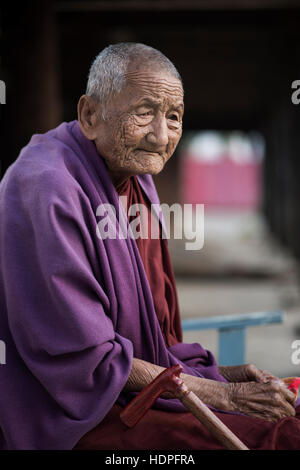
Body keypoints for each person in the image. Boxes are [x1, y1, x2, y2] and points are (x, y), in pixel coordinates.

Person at [0, 42, 299, 451]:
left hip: (137, 387)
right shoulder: (46, 185)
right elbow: (89, 363)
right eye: (144, 112)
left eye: (173, 117)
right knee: (280, 439)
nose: (161, 136)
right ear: (90, 115)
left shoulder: (132, 175)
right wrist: (225, 396)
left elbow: (153, 335)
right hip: (70, 412)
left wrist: (227, 374)